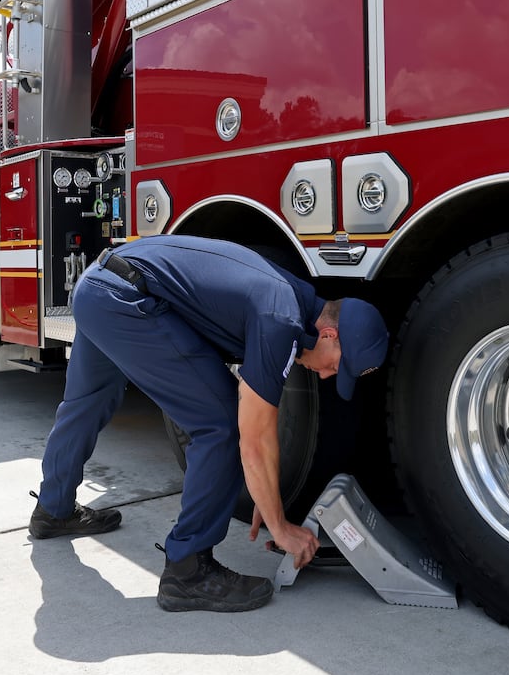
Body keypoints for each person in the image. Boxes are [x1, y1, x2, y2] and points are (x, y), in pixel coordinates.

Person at [28, 234, 389, 613]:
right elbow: (253, 439)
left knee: (88, 402)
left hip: (98, 286)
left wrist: (267, 497)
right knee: (219, 425)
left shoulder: (291, 300)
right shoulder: (281, 318)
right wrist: (280, 527)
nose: (329, 375)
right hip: (126, 298)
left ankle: (54, 509)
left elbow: (261, 425)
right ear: (329, 334)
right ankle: (188, 571)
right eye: (336, 364)